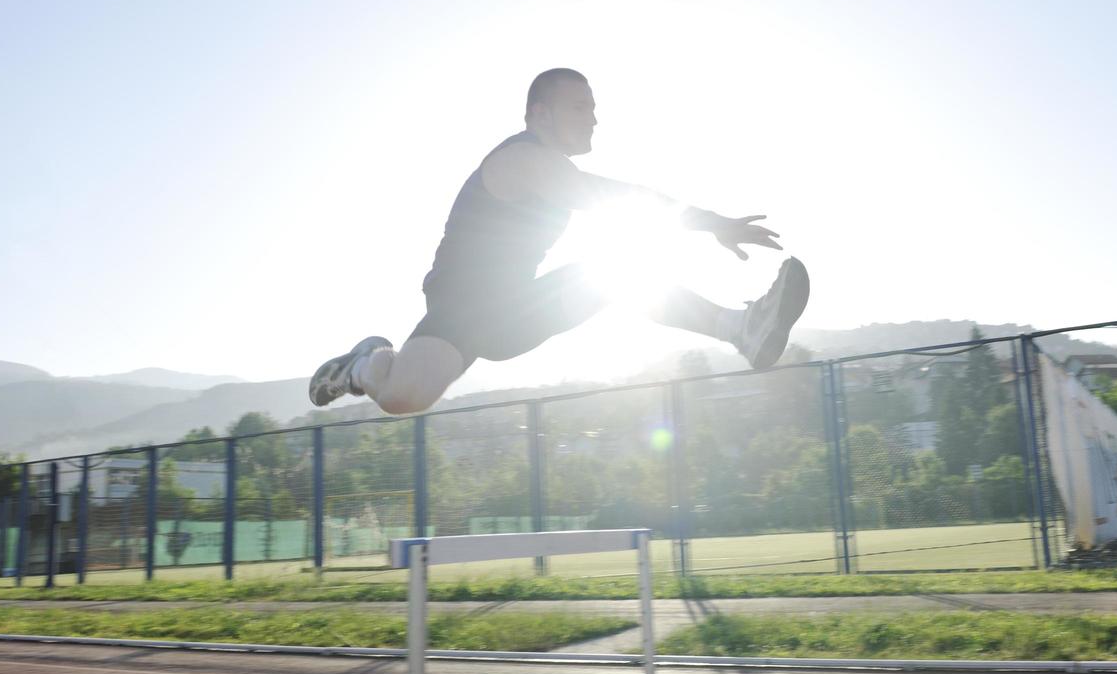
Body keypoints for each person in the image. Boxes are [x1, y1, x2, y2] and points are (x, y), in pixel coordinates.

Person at [309, 68, 809, 414]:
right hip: (461, 310)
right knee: (401, 398)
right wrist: (712, 221)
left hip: (515, 311)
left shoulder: (554, 167)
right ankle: (363, 364)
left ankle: (741, 328)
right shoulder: (523, 159)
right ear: (540, 113)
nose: (594, 118)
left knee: (612, 274)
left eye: (594, 107)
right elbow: (616, 196)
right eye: (580, 107)